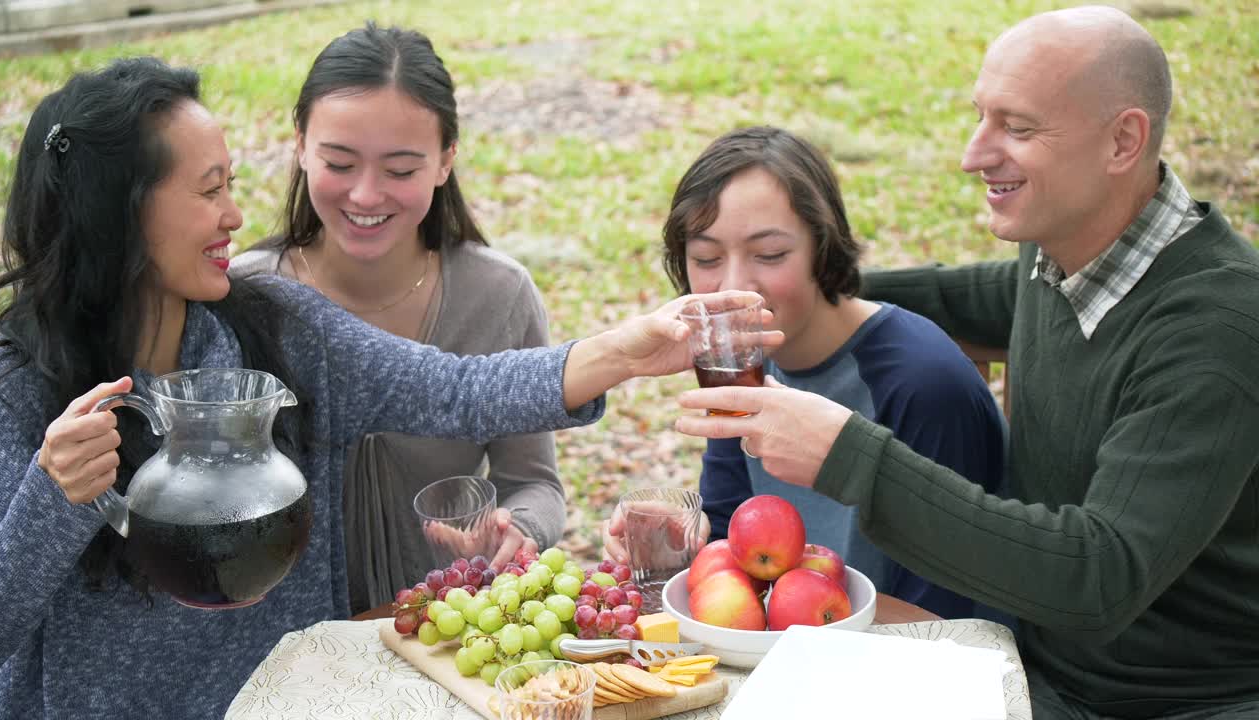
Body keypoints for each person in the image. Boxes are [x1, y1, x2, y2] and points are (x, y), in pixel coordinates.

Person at [0, 57, 776, 719]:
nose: (234, 213)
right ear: (120, 213)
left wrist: (625, 350)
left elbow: (457, 393)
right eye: (208, 189)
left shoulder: (278, 330)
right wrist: (52, 498)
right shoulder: (12, 395)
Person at [676, 7, 1259, 719]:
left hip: (1166, 701)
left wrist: (854, 457)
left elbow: (1100, 578)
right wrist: (787, 292)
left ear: (1122, 141)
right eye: (981, 118)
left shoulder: (1216, 332)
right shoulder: (1063, 250)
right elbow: (985, 294)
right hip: (1026, 664)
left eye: (1016, 128)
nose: (973, 153)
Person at [603, 126, 1006, 620]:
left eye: (770, 255)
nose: (734, 288)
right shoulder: (740, 356)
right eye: (706, 258)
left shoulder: (921, 381)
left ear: (824, 246)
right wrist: (684, 539)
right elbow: (735, 534)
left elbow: (949, 616)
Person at [232, 24, 562, 614]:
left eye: (401, 170)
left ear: (445, 161)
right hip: (278, 644)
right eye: (339, 161)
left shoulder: (498, 293)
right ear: (301, 144)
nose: (365, 195)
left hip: (445, 629)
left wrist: (521, 528)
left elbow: (535, 479)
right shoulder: (247, 293)